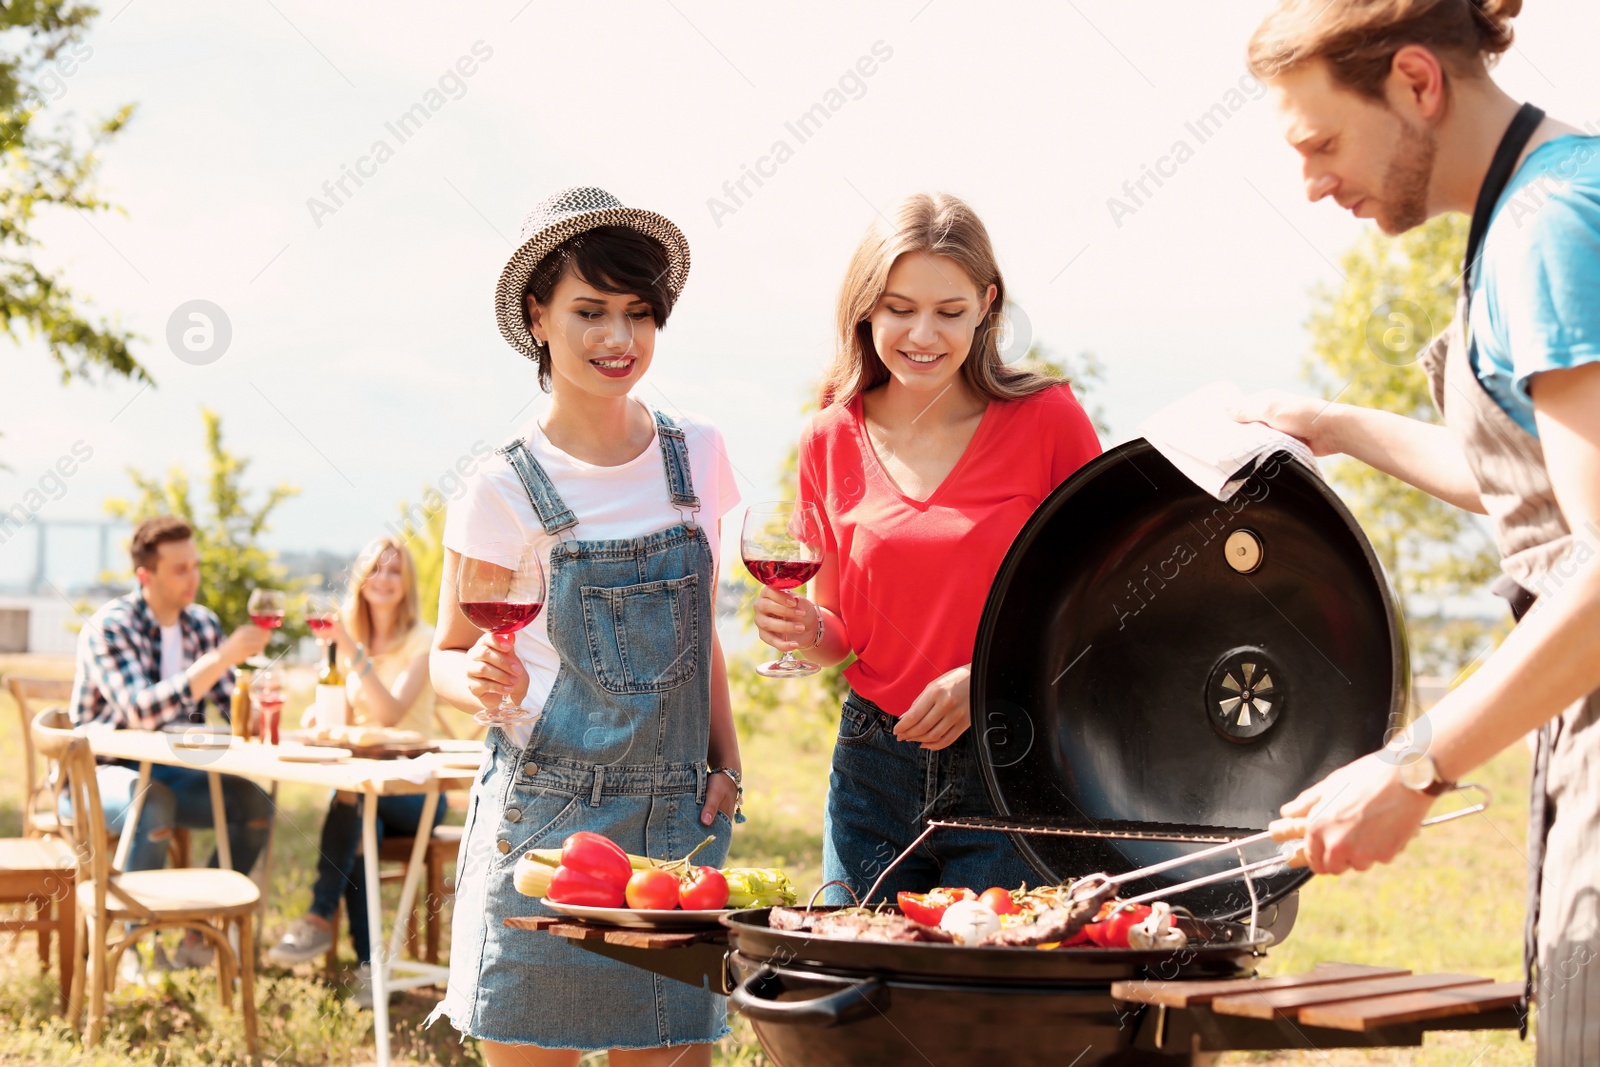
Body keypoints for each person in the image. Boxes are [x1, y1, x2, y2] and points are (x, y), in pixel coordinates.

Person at [1237, 0, 1600, 1055]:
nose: (1310, 181)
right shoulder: (1547, 203)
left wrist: (1410, 767)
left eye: (1320, 141)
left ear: (1415, 81)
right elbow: (1536, 485)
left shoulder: (1548, 230)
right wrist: (1337, 427)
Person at [426, 187, 742, 1066]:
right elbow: (446, 657)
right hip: (543, 826)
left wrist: (730, 757)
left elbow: (700, 629)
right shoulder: (501, 486)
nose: (618, 339)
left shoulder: (699, 455)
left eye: (639, 314)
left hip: (679, 824)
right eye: (590, 311)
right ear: (538, 316)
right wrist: (478, 680)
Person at [754, 193, 1102, 905]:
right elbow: (841, 635)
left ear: (986, 306)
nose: (923, 333)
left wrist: (985, 679)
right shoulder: (829, 434)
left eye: (949, 310)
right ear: (866, 310)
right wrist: (806, 631)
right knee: (847, 992)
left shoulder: (1048, 421)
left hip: (1012, 761)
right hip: (870, 765)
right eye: (899, 307)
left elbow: (1103, 608)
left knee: (980, 999)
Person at [70, 514, 275, 969]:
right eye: (180, 569)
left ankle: (198, 931)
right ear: (146, 576)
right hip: (94, 776)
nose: (193, 577)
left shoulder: (202, 625)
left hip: (170, 770)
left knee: (256, 806)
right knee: (153, 803)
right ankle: (133, 948)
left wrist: (261, 703)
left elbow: (231, 702)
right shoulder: (110, 627)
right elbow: (140, 712)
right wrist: (221, 658)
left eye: (195, 565)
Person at [265, 535, 446, 1006]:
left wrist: (350, 649)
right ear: (361, 580)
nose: (383, 579)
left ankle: (318, 916)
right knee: (360, 826)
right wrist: (319, 717)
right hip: (365, 783)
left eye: (393, 570)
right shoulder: (350, 643)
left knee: (353, 800)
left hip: (415, 783)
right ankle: (371, 969)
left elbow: (387, 715)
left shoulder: (423, 642)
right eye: (375, 570)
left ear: (406, 582)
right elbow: (343, 716)